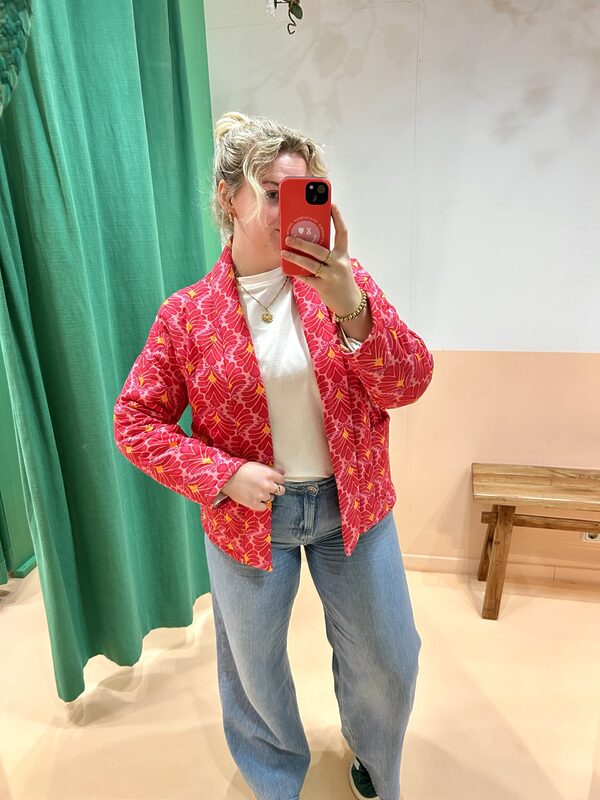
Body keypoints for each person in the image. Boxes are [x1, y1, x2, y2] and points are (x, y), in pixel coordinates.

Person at [113, 111, 434, 800]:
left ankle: (374, 760)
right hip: (248, 519)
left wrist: (352, 307)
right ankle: (276, 782)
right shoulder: (187, 316)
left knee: (390, 659)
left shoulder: (343, 285)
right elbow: (134, 421)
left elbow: (409, 383)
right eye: (272, 193)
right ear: (227, 197)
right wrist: (222, 472)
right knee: (254, 673)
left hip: (354, 508)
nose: (292, 210)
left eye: (305, 193)